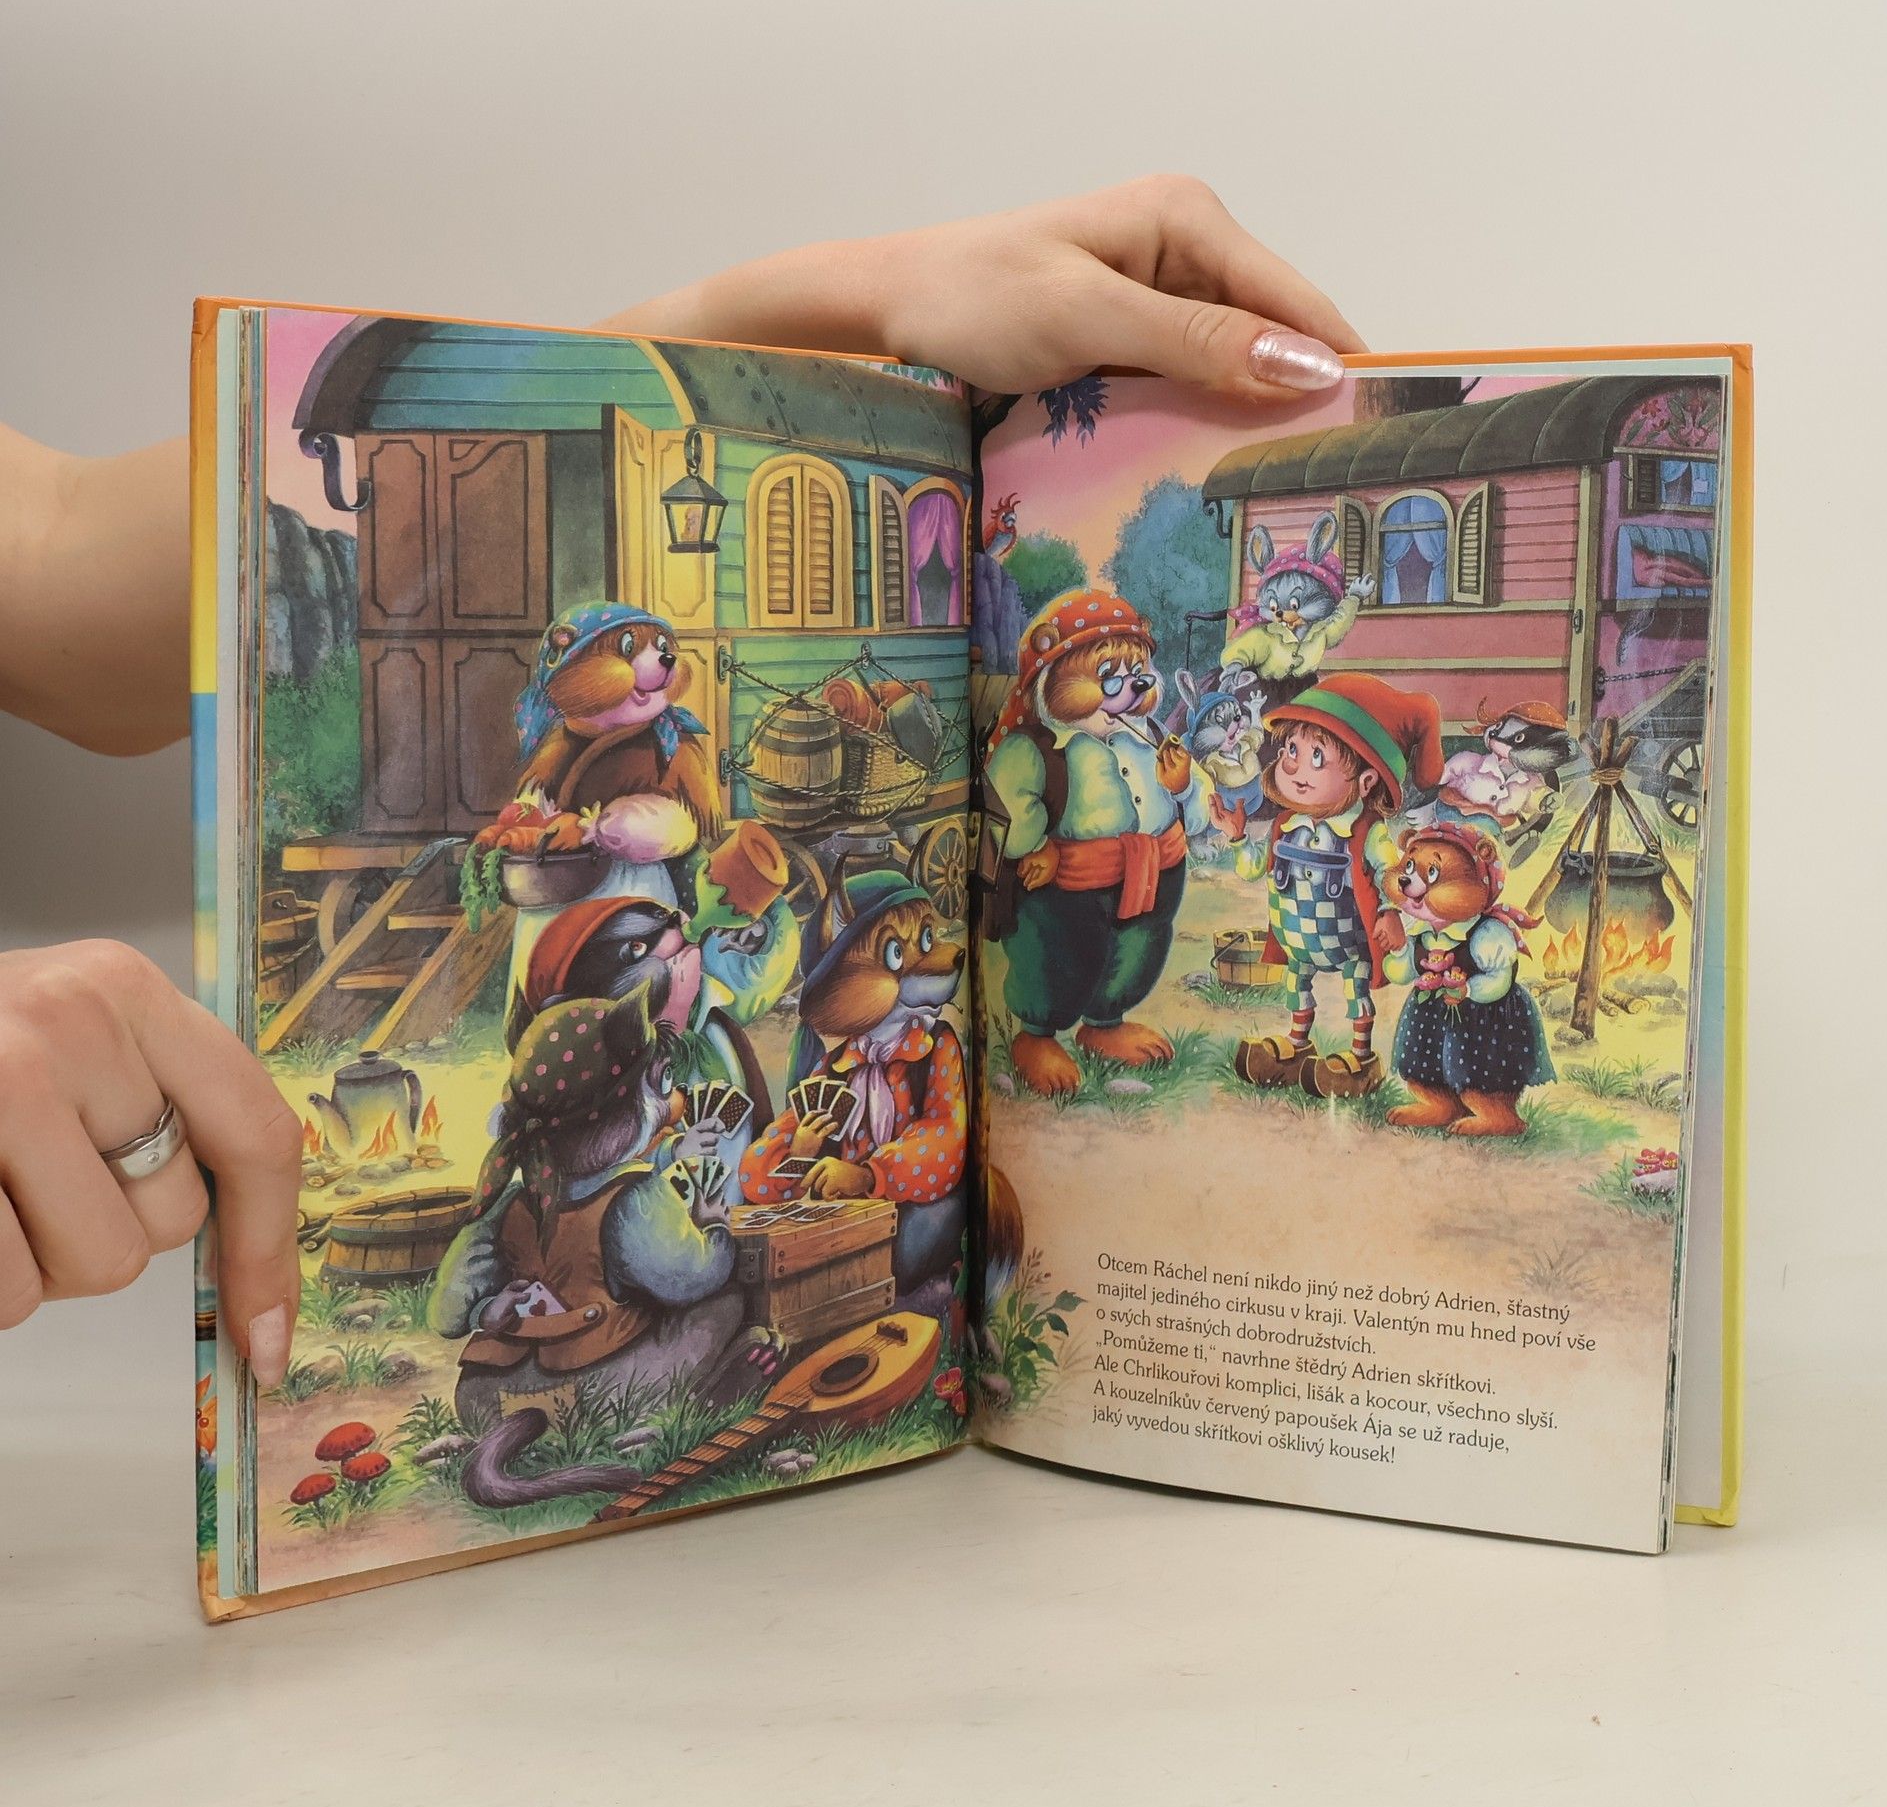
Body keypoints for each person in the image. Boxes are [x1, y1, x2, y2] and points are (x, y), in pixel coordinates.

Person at [0, 175, 1361, 1381]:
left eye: (657, 656)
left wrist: (832, 297)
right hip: (603, 938)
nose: (652, 674)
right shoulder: (589, 800)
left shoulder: (690, 783)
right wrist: (572, 833)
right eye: (631, 657)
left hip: (668, 928)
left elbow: (60, 562)